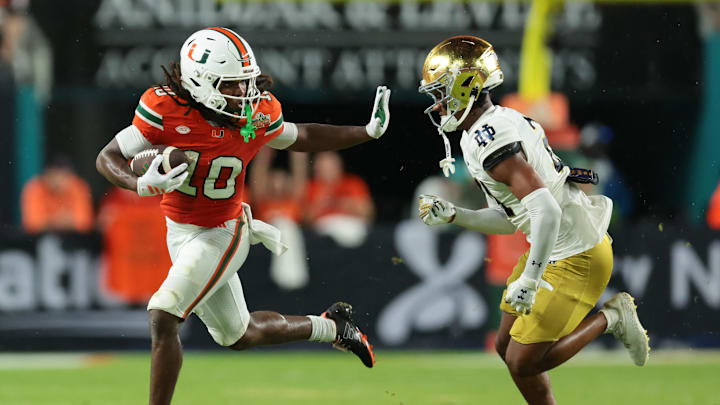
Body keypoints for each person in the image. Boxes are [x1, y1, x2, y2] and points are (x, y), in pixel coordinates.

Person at [95, 27, 390, 405]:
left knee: (163, 315)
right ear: (199, 82)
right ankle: (332, 326)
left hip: (223, 229)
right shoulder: (164, 108)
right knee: (238, 335)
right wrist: (139, 183)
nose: (243, 94)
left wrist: (365, 131)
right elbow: (108, 158)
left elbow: (303, 136)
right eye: (230, 85)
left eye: (244, 83)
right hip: (180, 231)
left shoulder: (255, 113)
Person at [415, 36, 649, 405]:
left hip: (576, 254)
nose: (439, 103)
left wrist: (531, 276)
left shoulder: (489, 138)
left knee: (524, 362)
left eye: (442, 91)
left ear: (467, 85)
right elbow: (512, 219)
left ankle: (613, 317)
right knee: (506, 347)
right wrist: (457, 215)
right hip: (554, 244)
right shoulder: (490, 127)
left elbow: (547, 211)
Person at [249, 147, 309, 290]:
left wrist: (297, 148)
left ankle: (292, 275)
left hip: (289, 236)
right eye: (274, 178)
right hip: (268, 239)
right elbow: (259, 171)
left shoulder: (294, 200)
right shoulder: (263, 200)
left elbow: (300, 173)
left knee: (286, 227)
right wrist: (264, 149)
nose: (278, 182)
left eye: (282, 178)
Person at [304, 151, 374, 248]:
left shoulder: (353, 183)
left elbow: (368, 213)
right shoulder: (312, 187)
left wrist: (345, 203)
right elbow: (306, 220)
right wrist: (324, 199)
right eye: (321, 166)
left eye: (329, 166)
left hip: (352, 226)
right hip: (323, 234)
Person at [21, 155, 93, 234]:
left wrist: (67, 222)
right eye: (54, 175)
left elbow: (85, 222)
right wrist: (55, 221)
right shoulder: (35, 187)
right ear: (46, 174)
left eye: (62, 175)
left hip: (73, 236)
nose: (58, 180)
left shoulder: (78, 187)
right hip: (43, 237)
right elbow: (32, 224)